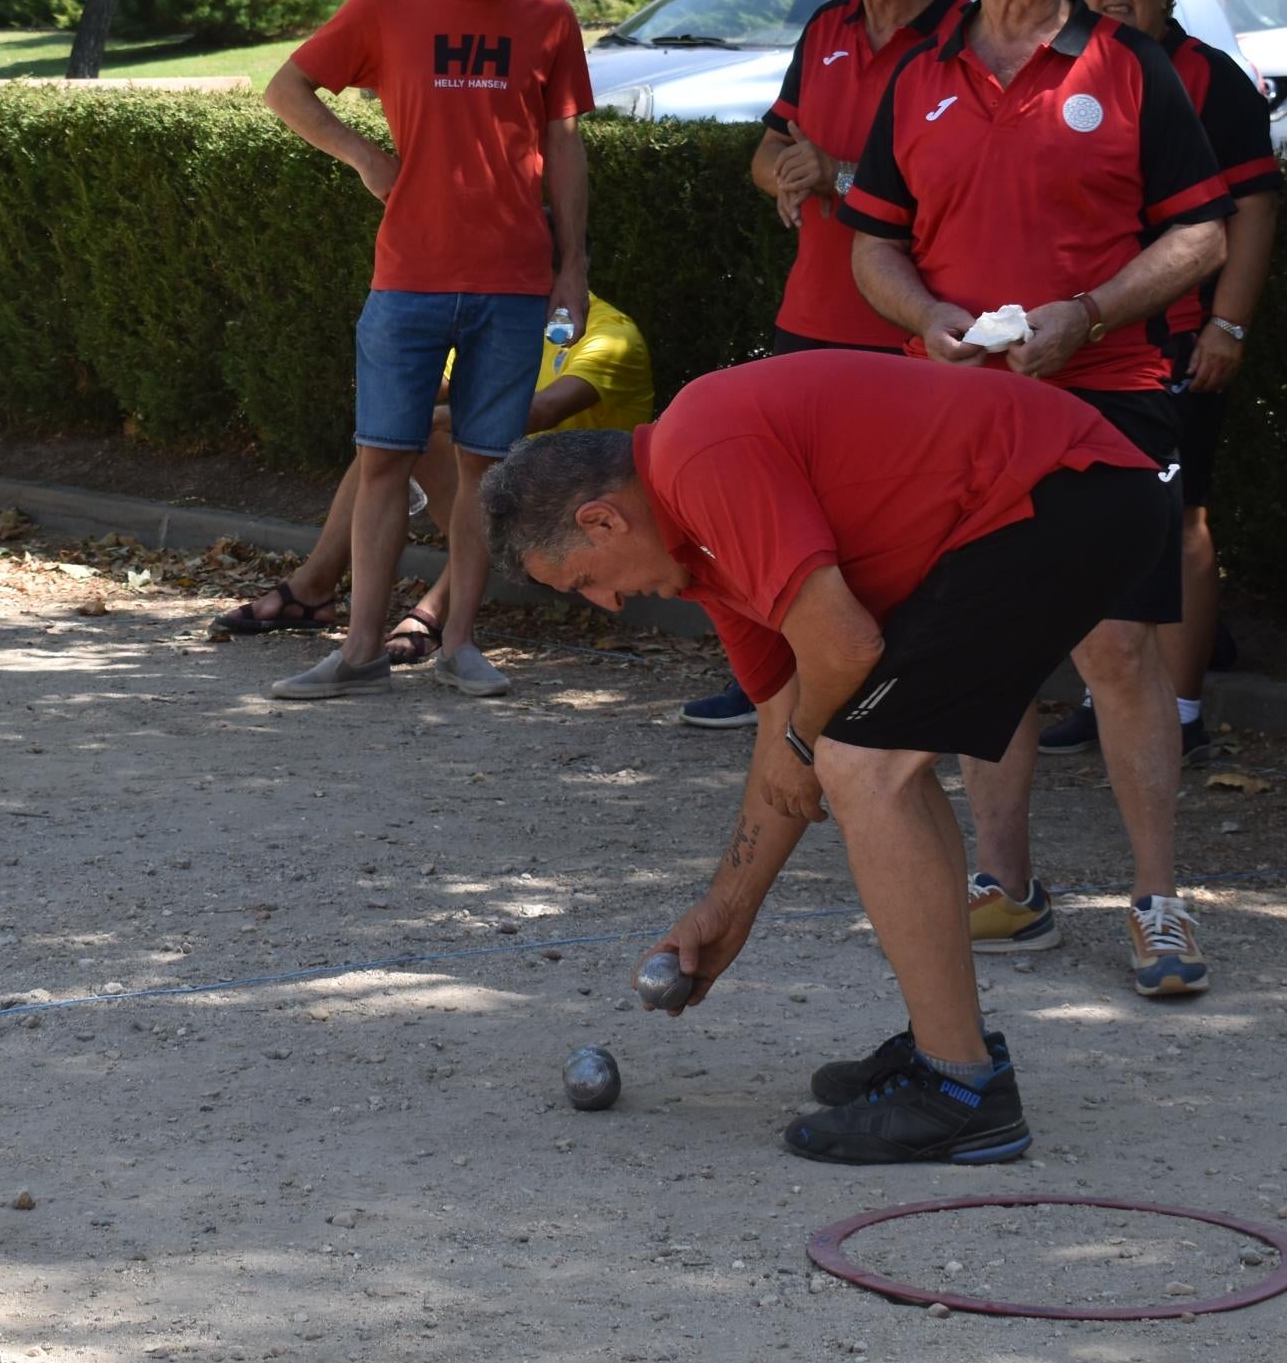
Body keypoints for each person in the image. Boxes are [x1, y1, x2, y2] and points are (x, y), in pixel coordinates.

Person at [480, 352, 1172, 1164]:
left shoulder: (697, 457)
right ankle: (949, 1054)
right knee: (873, 762)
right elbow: (782, 717)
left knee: (860, 764)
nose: (606, 603)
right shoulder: (699, 559)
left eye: (584, 581)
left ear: (602, 520)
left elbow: (842, 652)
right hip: (1046, 508)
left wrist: (808, 745)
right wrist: (727, 910)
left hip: (1067, 494)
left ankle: (961, 1093)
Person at [841, 0, 1229, 998]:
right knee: (988, 643)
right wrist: (931, 321)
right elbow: (871, 245)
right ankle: (1005, 885)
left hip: (1108, 392)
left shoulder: (1129, 64)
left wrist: (1095, 313)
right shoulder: (918, 71)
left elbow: (1203, 230)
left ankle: (1158, 900)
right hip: (959, 404)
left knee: (1118, 646)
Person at [260, 0, 593, 702]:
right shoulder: (387, 5)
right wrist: (363, 155)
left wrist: (573, 264)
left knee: (487, 468)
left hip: (514, 281)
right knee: (382, 462)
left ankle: (459, 644)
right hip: (407, 277)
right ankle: (361, 648)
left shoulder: (550, 19)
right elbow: (288, 86)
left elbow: (563, 145)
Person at [677, 0, 966, 734]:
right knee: (789, 507)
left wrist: (836, 176)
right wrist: (790, 169)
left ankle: (890, 680)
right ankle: (779, 671)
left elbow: (951, 179)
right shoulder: (829, 24)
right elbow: (768, 150)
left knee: (900, 512)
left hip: (913, 316)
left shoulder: (961, 31)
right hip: (811, 310)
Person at [1040, 0, 1282, 766]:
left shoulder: (1208, 76)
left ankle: (1180, 714)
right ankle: (1107, 698)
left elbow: (1253, 211)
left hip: (1179, 335)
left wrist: (1229, 325)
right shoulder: (1059, 69)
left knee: (1179, 520)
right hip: (1070, 341)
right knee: (1087, 520)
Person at [211, 291, 653, 653]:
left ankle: (436, 610)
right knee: (394, 441)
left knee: (454, 441)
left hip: (575, 519)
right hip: (512, 498)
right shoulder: (496, 320)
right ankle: (313, 588)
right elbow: (432, 388)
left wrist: (427, 417)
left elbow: (542, 412)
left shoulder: (611, 335)